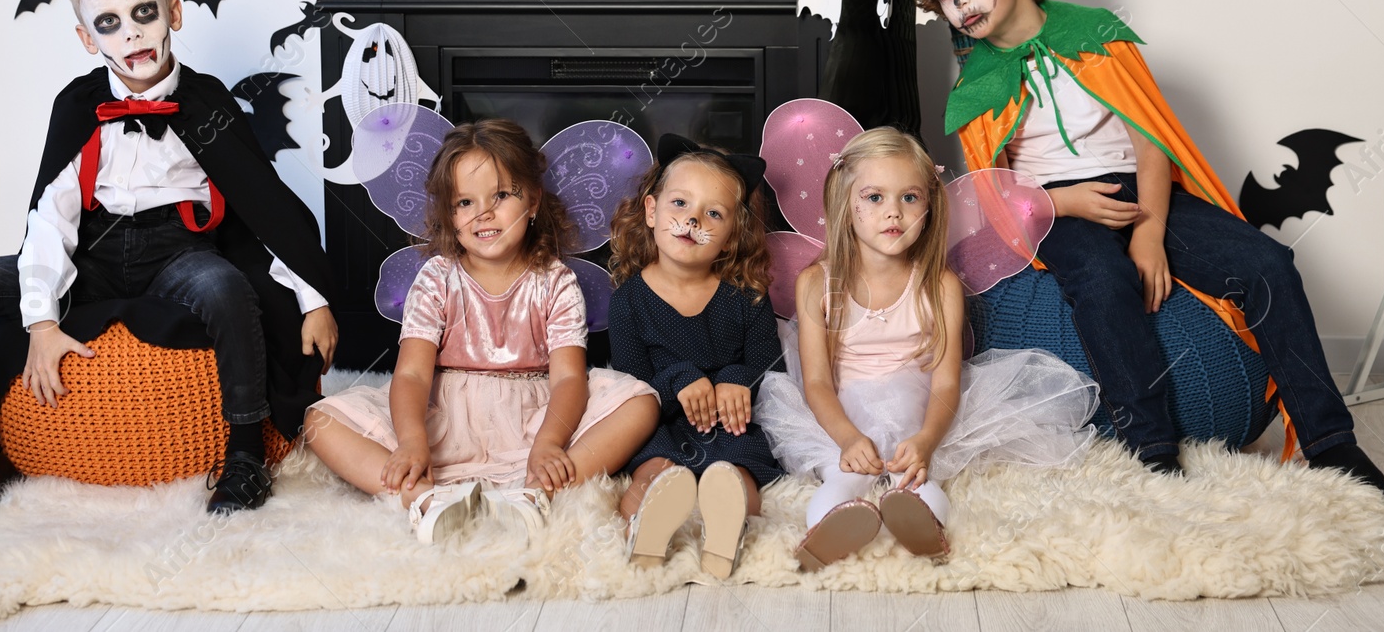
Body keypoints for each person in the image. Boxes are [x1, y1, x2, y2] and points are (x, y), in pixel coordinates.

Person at [904, 0, 1384, 491]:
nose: (961, 1)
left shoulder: (1097, 36)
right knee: (1105, 284)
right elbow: (997, 192)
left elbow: (1152, 139)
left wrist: (1151, 230)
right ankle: (1151, 445)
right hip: (1051, 207)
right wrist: (1063, 205)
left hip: (1140, 186)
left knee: (1269, 265)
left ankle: (1331, 441)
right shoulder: (975, 84)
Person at [0, 0, 338, 515]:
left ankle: (242, 456)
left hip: (179, 251)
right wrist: (41, 322)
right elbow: (51, 216)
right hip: (91, 254)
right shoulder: (78, 106)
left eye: (144, 14)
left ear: (173, 13)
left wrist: (312, 299)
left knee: (225, 288)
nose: (132, 32)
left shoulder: (207, 101)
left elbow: (264, 205)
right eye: (109, 22)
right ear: (87, 38)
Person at [757, 127, 1098, 570]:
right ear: (846, 203)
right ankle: (828, 530)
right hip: (841, 415)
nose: (893, 213)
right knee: (844, 476)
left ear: (929, 206)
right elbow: (817, 382)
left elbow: (946, 380)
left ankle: (920, 527)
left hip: (919, 411)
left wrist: (926, 440)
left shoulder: (939, 286)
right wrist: (846, 438)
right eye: (875, 197)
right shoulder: (817, 283)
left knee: (915, 476)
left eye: (910, 198)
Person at [305, 119, 658, 542]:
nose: (483, 214)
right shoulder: (436, 277)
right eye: (464, 203)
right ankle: (424, 498)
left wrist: (549, 443)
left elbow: (568, 377)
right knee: (319, 421)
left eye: (502, 196)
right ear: (448, 215)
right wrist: (413, 441)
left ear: (532, 201)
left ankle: (536, 493)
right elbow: (413, 374)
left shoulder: (555, 280)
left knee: (641, 403)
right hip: (447, 416)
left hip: (535, 414)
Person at [606, 136, 783, 580]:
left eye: (713, 214)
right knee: (652, 469)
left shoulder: (747, 298)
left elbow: (770, 366)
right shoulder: (629, 301)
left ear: (728, 241)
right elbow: (631, 385)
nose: (692, 221)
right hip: (663, 424)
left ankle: (725, 533)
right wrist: (679, 379)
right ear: (651, 211)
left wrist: (736, 379)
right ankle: (646, 532)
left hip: (730, 425)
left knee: (737, 473)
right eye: (680, 203)